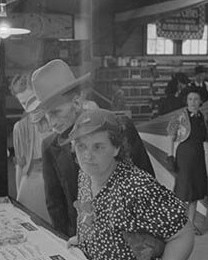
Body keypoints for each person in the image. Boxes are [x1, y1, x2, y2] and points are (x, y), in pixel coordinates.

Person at [68, 108, 200, 260]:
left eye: (98, 147)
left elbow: (183, 234)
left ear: (116, 147)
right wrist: (86, 239)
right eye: (81, 146)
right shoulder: (85, 175)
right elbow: (97, 215)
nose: (88, 155)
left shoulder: (136, 187)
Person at [31, 59, 156, 237]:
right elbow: (55, 205)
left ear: (76, 102)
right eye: (46, 116)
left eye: (56, 113)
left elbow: (148, 183)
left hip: (131, 236)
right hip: (82, 240)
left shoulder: (121, 128)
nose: (51, 123)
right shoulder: (50, 147)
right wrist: (66, 242)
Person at [8, 73, 50, 222]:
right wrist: (19, 197)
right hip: (33, 181)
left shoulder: (57, 121)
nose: (28, 107)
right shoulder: (20, 128)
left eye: (32, 100)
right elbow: (20, 165)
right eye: (23, 103)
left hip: (56, 182)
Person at [166, 88, 208, 224]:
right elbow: (171, 136)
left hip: (198, 156)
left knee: (195, 192)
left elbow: (204, 136)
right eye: (190, 99)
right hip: (184, 156)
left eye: (196, 99)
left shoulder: (203, 117)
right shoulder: (179, 117)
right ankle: (176, 223)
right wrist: (170, 156)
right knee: (183, 190)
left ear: (200, 101)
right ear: (186, 101)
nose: (193, 102)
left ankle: (191, 225)